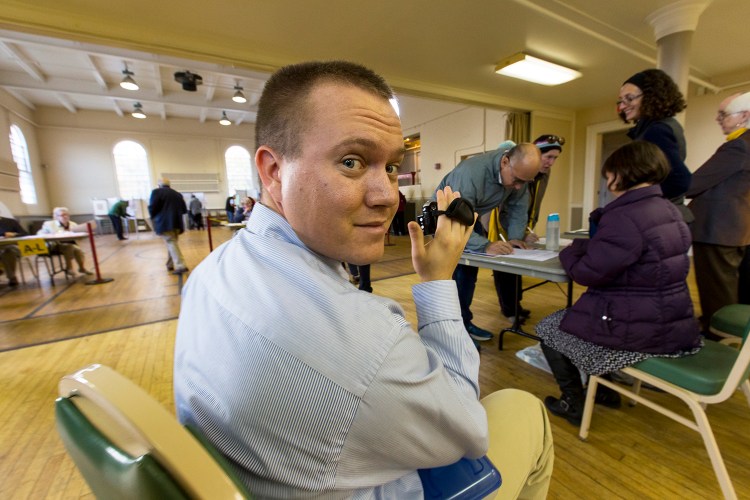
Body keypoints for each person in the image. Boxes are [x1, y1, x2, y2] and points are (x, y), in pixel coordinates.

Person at [174, 60, 552, 499]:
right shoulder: (365, 344)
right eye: (352, 162)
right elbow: (464, 431)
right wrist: (436, 284)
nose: (389, 196)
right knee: (525, 410)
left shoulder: (209, 273)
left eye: (390, 167)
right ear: (275, 171)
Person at [535, 141, 701, 426]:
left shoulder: (625, 216)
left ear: (621, 173)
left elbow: (587, 273)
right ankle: (604, 392)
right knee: (583, 320)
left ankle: (573, 402)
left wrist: (569, 251)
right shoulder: (670, 210)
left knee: (549, 330)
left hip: (639, 329)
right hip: (671, 320)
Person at [435, 142, 541, 342]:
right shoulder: (470, 174)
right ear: (504, 161)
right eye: (517, 180)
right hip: (443, 218)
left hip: (468, 216)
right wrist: (484, 245)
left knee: (468, 274)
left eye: (525, 182)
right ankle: (452, 335)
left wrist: (515, 237)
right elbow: (453, 219)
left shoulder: (517, 175)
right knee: (453, 274)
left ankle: (464, 324)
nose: (519, 186)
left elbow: (518, 207)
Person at [686, 91, 750, 331]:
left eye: (723, 114)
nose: (717, 118)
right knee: (733, 292)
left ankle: (719, 347)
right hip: (737, 229)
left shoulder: (739, 146)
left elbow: (693, 184)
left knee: (718, 299)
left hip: (717, 231)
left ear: (744, 116)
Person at [492, 135, 565, 324]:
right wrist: (511, 235)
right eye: (548, 156)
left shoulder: (543, 175)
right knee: (506, 268)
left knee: (518, 268)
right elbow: (504, 208)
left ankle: (516, 305)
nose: (551, 162)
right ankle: (509, 309)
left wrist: (527, 230)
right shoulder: (517, 170)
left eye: (555, 158)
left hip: (520, 225)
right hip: (503, 227)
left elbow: (531, 206)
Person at [617, 68, 693, 221]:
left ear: (651, 97)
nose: (622, 106)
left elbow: (680, 179)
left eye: (629, 98)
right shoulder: (666, 125)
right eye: (621, 100)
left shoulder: (657, 130)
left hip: (660, 217)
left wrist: (639, 198)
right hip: (666, 214)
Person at [37, 206, 93, 277]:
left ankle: (81, 268)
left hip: (70, 245)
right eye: (61, 215)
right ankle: (69, 268)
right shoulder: (49, 224)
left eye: (66, 214)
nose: (64, 217)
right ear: (56, 217)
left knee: (77, 249)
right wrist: (52, 235)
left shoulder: (73, 224)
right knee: (69, 247)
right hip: (54, 245)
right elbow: (40, 233)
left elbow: (79, 235)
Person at [148, 178, 188, 274]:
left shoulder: (156, 192)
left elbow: (152, 207)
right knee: (172, 243)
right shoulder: (177, 194)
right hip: (177, 223)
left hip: (165, 223)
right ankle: (170, 264)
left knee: (171, 242)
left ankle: (181, 265)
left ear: (159, 185)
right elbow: (184, 210)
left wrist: (153, 217)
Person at [0, 215, 27, 287]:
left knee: (8, 251)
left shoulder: (11, 222)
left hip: (12, 246)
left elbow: (25, 234)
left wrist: (14, 234)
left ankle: (11, 277)